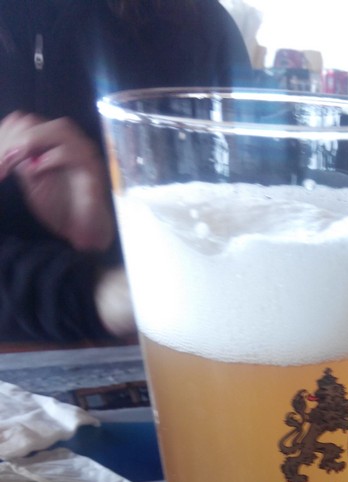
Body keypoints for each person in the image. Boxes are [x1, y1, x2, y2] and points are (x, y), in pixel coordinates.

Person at [0, 0, 253, 344]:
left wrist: (111, 240)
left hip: (163, 344)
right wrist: (94, 293)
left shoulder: (198, 23)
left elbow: (238, 236)